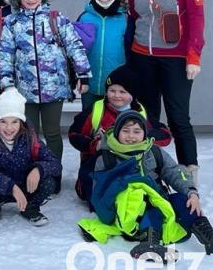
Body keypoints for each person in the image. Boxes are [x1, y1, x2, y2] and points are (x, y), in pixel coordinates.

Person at [78, 111, 213, 261]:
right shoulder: (106, 157)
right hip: (130, 211)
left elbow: (173, 171)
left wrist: (192, 193)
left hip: (158, 199)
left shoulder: (152, 151)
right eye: (125, 131)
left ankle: (210, 239)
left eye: (136, 131)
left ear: (144, 134)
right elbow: (99, 190)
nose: (131, 136)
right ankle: (150, 244)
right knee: (147, 205)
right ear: (117, 132)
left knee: (182, 200)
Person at [127, 0, 206, 185]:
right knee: (147, 117)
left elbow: (196, 13)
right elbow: (135, 14)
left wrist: (194, 54)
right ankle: (152, 169)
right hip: (142, 54)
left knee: (178, 116)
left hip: (175, 55)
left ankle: (189, 173)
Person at [0, 0, 91, 164]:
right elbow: (6, 54)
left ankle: (53, 172)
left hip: (54, 88)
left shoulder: (56, 19)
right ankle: (33, 172)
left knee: (52, 133)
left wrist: (83, 75)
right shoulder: (12, 23)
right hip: (24, 90)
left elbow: (75, 46)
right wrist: (7, 84)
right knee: (29, 134)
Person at [68, 65, 171, 208]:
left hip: (134, 167)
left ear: (133, 94)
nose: (116, 95)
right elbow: (73, 134)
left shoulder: (140, 112)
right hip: (100, 167)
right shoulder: (97, 109)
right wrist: (93, 144)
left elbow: (165, 134)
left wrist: (142, 137)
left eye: (122, 92)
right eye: (112, 91)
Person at [0, 88, 62, 226]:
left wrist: (39, 170)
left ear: (21, 122)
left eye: (14, 121)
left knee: (49, 181)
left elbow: (55, 163)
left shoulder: (30, 139)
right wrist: (10, 187)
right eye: (3, 122)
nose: (9, 128)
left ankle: (30, 207)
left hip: (26, 187)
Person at [77, 0, 131, 110]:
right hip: (90, 83)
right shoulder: (85, 17)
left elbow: (131, 49)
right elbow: (77, 51)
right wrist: (79, 78)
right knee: (89, 124)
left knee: (114, 125)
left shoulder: (124, 18)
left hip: (117, 86)